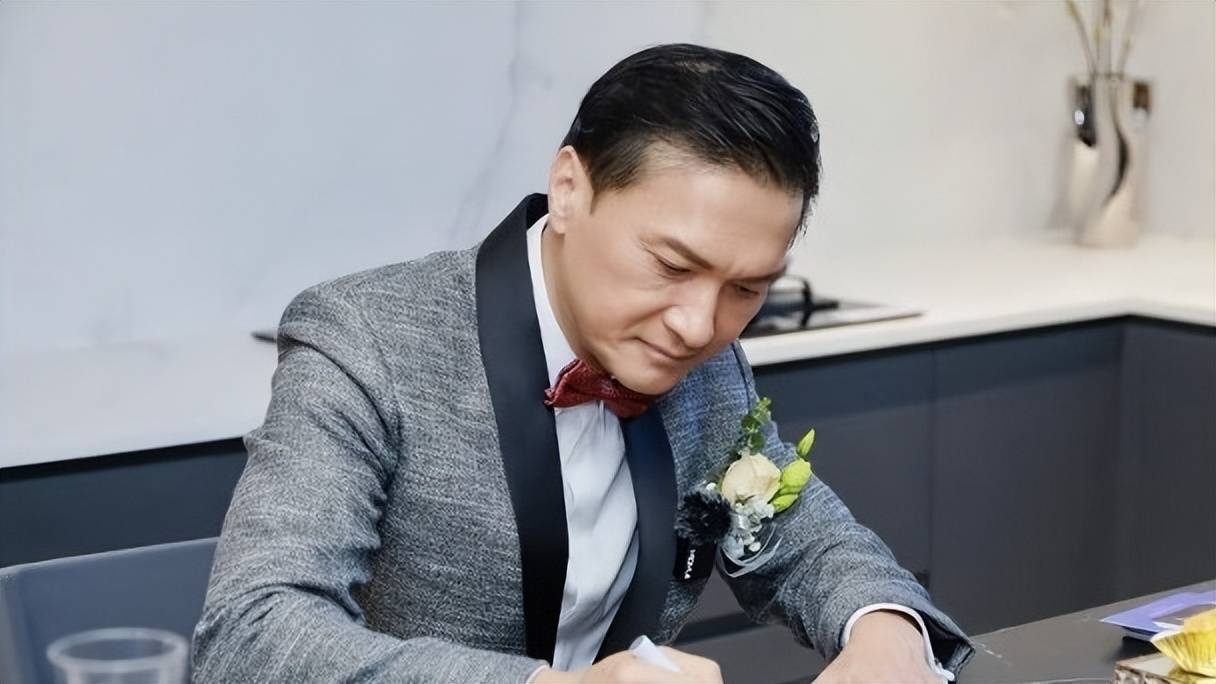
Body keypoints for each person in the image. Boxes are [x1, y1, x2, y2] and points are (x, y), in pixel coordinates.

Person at [191, 43, 974, 683]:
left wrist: (888, 632)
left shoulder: (708, 361)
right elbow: (251, 635)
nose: (700, 326)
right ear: (569, 189)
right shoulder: (366, 341)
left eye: (746, 288)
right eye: (671, 265)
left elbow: (804, 543)